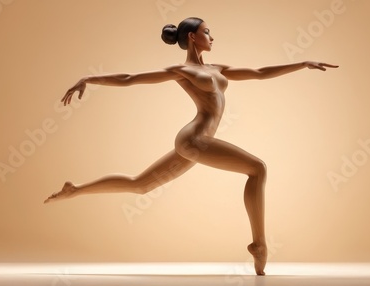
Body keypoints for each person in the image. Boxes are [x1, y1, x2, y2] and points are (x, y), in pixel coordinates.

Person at [44, 17, 338, 275]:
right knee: (257, 168)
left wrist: (301, 63)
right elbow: (131, 79)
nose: (212, 37)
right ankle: (259, 244)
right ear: (192, 37)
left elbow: (259, 72)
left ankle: (75, 189)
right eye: (208, 31)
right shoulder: (181, 70)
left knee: (140, 185)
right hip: (193, 139)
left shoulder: (217, 68)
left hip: (198, 143)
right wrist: (88, 78)